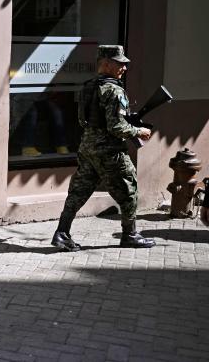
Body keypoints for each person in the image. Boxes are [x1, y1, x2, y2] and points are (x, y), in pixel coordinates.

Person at [51, 45, 156, 251]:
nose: (124, 67)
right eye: (119, 63)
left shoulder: (88, 86)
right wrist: (138, 131)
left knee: (79, 191)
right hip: (110, 151)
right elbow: (116, 126)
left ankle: (62, 233)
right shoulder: (114, 90)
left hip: (88, 146)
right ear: (106, 64)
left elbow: (83, 120)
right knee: (129, 189)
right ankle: (130, 235)